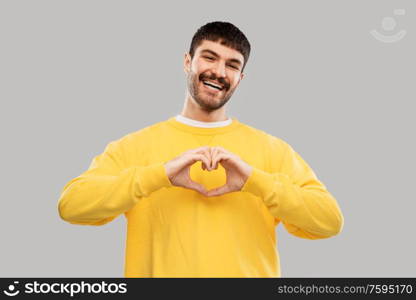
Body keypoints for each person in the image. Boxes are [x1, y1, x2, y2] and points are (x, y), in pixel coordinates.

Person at [58, 21, 344, 278]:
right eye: (209, 57)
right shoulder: (133, 146)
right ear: (187, 62)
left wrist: (254, 181)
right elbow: (72, 206)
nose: (219, 72)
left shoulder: (273, 150)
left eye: (232, 65)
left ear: (241, 78)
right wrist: (159, 176)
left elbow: (329, 221)